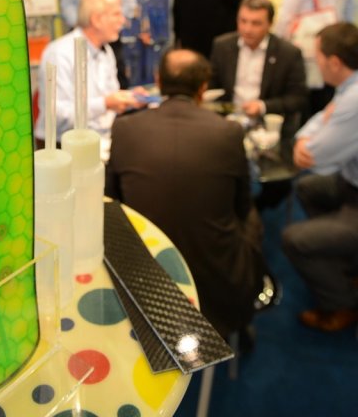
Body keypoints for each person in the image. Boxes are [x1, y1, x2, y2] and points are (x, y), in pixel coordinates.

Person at [105, 47, 267, 339]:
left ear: (158, 80)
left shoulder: (125, 128)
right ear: (203, 88)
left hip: (143, 266)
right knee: (253, 218)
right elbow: (242, 206)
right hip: (216, 273)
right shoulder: (228, 132)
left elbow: (113, 200)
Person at [282, 22, 358, 332]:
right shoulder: (349, 86)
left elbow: (317, 157)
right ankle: (347, 261)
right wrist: (306, 138)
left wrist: (305, 142)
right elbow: (319, 120)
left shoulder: (354, 99)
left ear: (335, 62)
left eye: (318, 57)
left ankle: (342, 304)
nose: (315, 63)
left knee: (294, 239)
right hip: (349, 183)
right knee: (309, 188)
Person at [35, 0, 143, 145]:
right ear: (96, 20)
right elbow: (57, 116)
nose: (123, 21)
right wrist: (106, 103)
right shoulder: (60, 53)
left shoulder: (106, 51)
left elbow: (109, 96)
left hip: (102, 138)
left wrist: (128, 98)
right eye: (116, 14)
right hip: (64, 145)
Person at [274, 0, 354, 117]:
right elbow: (350, 9)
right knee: (330, 99)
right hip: (336, 46)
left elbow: (286, 17)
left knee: (305, 100)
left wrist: (277, 46)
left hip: (308, 47)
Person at [210, 0, 307, 139]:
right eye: (243, 21)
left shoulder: (288, 53)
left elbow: (298, 98)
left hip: (267, 127)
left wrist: (263, 106)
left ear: (270, 24)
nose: (247, 29)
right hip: (227, 121)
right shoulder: (222, 45)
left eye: (256, 23)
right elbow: (212, 84)